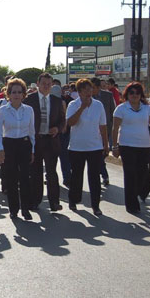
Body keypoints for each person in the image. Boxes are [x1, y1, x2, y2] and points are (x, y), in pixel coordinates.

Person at [112, 82, 150, 214]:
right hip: (127, 145)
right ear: (127, 94)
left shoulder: (146, 108)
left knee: (143, 173)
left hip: (144, 146)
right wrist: (115, 146)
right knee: (130, 174)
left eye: (137, 93)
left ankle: (138, 193)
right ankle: (131, 204)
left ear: (141, 95)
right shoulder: (121, 108)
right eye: (131, 92)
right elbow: (115, 128)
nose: (134, 95)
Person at [0, 78, 35, 220]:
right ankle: (13, 209)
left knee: (25, 178)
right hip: (9, 145)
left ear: (23, 94)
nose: (16, 95)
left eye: (19, 92)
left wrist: (33, 150)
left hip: (24, 144)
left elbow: (31, 131)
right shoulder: (3, 110)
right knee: (11, 179)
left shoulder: (29, 110)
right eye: (13, 92)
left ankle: (26, 209)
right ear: (8, 94)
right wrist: (0, 149)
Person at [23, 73, 65, 212]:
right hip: (35, 140)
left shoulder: (57, 101)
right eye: (44, 83)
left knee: (52, 172)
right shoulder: (29, 100)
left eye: (49, 84)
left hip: (50, 141)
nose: (46, 86)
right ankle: (35, 201)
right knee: (35, 172)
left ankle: (54, 202)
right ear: (38, 84)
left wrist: (57, 129)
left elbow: (62, 121)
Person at [66, 79, 109, 216]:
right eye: (84, 90)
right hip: (77, 147)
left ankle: (95, 205)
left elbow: (103, 126)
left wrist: (106, 144)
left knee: (94, 177)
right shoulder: (73, 104)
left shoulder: (98, 105)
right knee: (76, 176)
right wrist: (82, 107)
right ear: (79, 92)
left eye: (90, 90)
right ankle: (73, 199)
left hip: (94, 147)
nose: (88, 93)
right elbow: (71, 123)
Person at [91, 77, 116, 186]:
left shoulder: (108, 96)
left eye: (93, 87)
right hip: (92, 132)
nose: (91, 90)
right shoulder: (86, 97)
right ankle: (103, 175)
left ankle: (102, 174)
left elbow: (113, 112)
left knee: (101, 155)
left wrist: (111, 127)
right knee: (98, 155)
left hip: (105, 130)